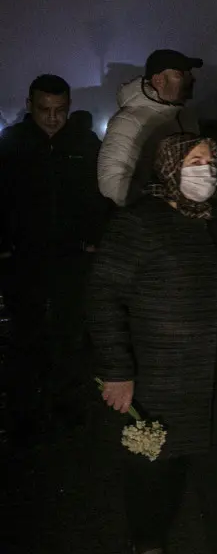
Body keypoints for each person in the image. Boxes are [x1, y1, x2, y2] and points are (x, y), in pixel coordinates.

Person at [87, 134, 217, 554]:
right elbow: (103, 297)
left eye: (211, 161)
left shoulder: (214, 221)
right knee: (153, 466)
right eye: (194, 161)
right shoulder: (138, 223)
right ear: (169, 166)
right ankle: (147, 541)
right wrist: (117, 371)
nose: (206, 170)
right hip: (160, 372)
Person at [0, 74, 110, 435]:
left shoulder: (84, 143)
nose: (52, 118)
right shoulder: (12, 144)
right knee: (26, 336)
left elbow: (99, 197)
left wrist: (94, 236)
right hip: (24, 257)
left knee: (69, 334)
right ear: (30, 106)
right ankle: (25, 413)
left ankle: (67, 407)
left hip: (72, 257)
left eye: (60, 110)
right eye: (45, 110)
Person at [98, 49, 201, 206]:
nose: (191, 79)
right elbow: (112, 185)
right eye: (180, 75)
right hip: (152, 226)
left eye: (190, 74)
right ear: (159, 80)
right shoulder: (129, 121)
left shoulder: (185, 119)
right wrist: (161, 205)